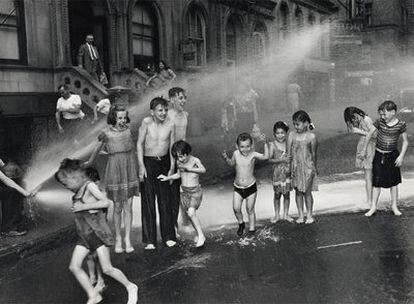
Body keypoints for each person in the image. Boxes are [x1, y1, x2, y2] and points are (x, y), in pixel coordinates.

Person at [54, 158, 138, 304]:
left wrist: (83, 207)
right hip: (84, 235)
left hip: (98, 233)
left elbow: (106, 202)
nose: (66, 186)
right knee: (74, 266)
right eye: (64, 184)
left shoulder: (89, 186)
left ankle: (131, 286)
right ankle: (93, 295)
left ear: (76, 176)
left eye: (67, 182)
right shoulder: (77, 191)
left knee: (107, 269)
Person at [87, 106, 139, 253]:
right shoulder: (106, 132)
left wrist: (138, 168)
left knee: (128, 207)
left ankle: (127, 239)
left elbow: (133, 148)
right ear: (113, 118)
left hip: (129, 167)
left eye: (124, 117)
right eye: (119, 118)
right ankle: (118, 239)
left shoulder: (129, 130)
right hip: (115, 169)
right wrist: (90, 162)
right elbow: (97, 148)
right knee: (117, 207)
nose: (122, 120)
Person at [137, 97, 177, 250]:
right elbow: (139, 144)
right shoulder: (146, 122)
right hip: (148, 162)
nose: (164, 113)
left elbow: (172, 147)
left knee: (165, 200)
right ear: (152, 112)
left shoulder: (170, 124)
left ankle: (168, 236)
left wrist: (172, 167)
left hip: (164, 162)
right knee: (148, 200)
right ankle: (150, 240)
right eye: (160, 110)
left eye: (165, 110)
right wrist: (141, 166)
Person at [362, 100, 409, 217]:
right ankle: (373, 207)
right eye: (381, 114)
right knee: (376, 182)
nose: (382, 116)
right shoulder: (380, 122)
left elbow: (405, 142)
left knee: (394, 183)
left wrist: (401, 156)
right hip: (379, 155)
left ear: (393, 112)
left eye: (385, 114)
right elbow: (369, 134)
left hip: (393, 155)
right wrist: (364, 149)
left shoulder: (401, 124)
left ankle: (394, 206)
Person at [158, 140, 206, 247]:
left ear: (187, 152)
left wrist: (191, 169)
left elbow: (203, 170)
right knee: (190, 215)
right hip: (184, 192)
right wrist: (167, 177)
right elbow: (178, 175)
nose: (180, 159)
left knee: (191, 212)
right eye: (178, 157)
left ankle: (201, 235)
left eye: (182, 156)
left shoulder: (194, 160)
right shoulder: (179, 162)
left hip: (195, 192)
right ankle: (198, 234)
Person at [222, 133, 269, 236]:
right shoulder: (235, 154)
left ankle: (252, 229)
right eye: (242, 147)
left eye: (248, 146)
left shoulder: (253, 154)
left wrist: (265, 143)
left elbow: (266, 157)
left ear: (251, 145)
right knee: (236, 208)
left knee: (250, 209)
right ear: (237, 146)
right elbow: (231, 163)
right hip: (238, 187)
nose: (245, 149)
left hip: (251, 187)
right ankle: (241, 223)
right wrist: (226, 158)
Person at [287, 110, 318, 224]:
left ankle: (309, 214)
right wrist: (288, 168)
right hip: (295, 167)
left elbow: (314, 154)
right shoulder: (291, 135)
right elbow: (288, 153)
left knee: (307, 192)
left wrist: (315, 168)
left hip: (307, 167)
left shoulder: (311, 137)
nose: (296, 126)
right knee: (298, 192)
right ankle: (300, 214)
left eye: (298, 124)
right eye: (294, 124)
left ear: (306, 123)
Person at [344, 107, 376, 206]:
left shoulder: (366, 119)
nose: (353, 120)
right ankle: (369, 199)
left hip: (369, 147)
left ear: (357, 113)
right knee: (367, 174)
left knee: (369, 174)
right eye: (351, 119)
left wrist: (364, 149)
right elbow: (351, 130)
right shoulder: (360, 121)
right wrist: (365, 133)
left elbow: (374, 135)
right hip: (364, 145)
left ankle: (371, 200)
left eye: (353, 117)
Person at [168, 87, 189, 235]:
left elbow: (184, 138)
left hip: (184, 156)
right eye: (180, 98)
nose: (183, 101)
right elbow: (169, 142)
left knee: (186, 190)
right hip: (172, 156)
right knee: (173, 193)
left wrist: (187, 158)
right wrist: (172, 164)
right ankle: (173, 225)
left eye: (184, 98)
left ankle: (186, 221)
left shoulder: (186, 114)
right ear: (172, 99)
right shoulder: (168, 115)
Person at [268, 121, 293, 223]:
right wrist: (282, 160)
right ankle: (277, 215)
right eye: (278, 133)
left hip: (287, 173)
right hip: (277, 174)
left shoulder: (288, 144)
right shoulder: (272, 145)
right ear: (274, 133)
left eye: (282, 133)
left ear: (286, 133)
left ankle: (286, 214)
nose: (280, 135)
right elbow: (269, 160)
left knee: (287, 194)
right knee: (277, 195)